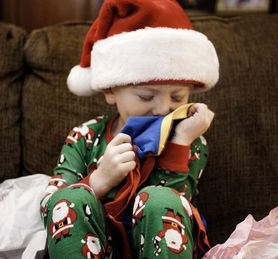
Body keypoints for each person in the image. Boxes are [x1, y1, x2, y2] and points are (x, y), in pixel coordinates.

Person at [40, 0, 219, 258]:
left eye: (178, 97)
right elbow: (50, 205)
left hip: (161, 247)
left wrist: (180, 143)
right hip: (96, 246)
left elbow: (176, 206)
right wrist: (100, 180)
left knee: (162, 200)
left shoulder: (191, 138)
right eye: (146, 97)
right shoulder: (86, 136)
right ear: (111, 90)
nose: (162, 109)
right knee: (70, 199)